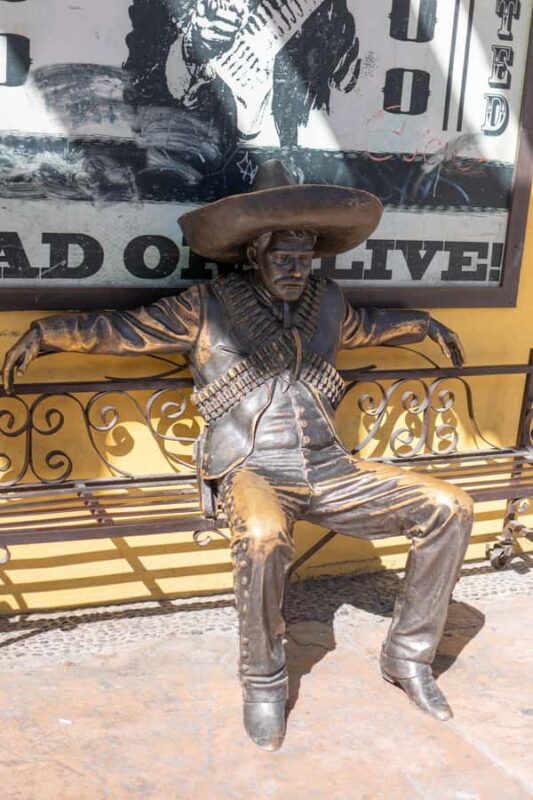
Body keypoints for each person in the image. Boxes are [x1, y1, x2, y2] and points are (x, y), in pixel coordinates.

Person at [2, 161, 473, 751]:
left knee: (449, 507)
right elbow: (124, 330)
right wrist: (47, 333)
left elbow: (369, 326)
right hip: (250, 471)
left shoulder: (328, 304)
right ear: (254, 254)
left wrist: (423, 324)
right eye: (284, 258)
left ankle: (409, 658)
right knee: (261, 534)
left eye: (305, 258)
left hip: (331, 468)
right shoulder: (206, 306)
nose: (296, 269)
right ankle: (265, 682)